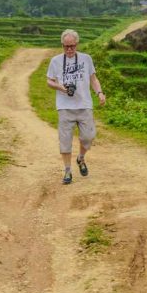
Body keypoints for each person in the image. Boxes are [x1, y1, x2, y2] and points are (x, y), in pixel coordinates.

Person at [46, 29, 106, 185]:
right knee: (65, 140)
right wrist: (61, 88)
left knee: (88, 137)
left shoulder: (86, 59)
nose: (69, 49)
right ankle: (67, 171)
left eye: (72, 46)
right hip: (64, 107)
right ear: (62, 45)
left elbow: (93, 78)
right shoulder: (55, 61)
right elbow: (49, 81)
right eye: (66, 46)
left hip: (84, 104)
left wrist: (99, 93)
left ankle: (81, 158)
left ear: (77, 44)